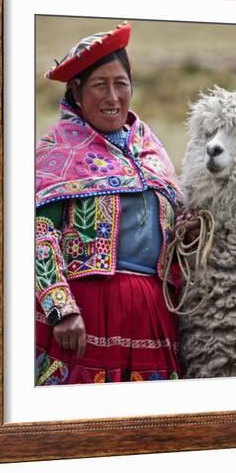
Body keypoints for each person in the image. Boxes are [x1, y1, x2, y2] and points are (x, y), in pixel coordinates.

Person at [35, 22, 185, 385]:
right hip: (87, 313)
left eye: (121, 84)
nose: (112, 97)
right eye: (100, 85)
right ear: (77, 89)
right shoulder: (58, 151)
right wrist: (61, 309)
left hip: (152, 313)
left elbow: (170, 223)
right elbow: (37, 233)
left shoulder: (149, 147)